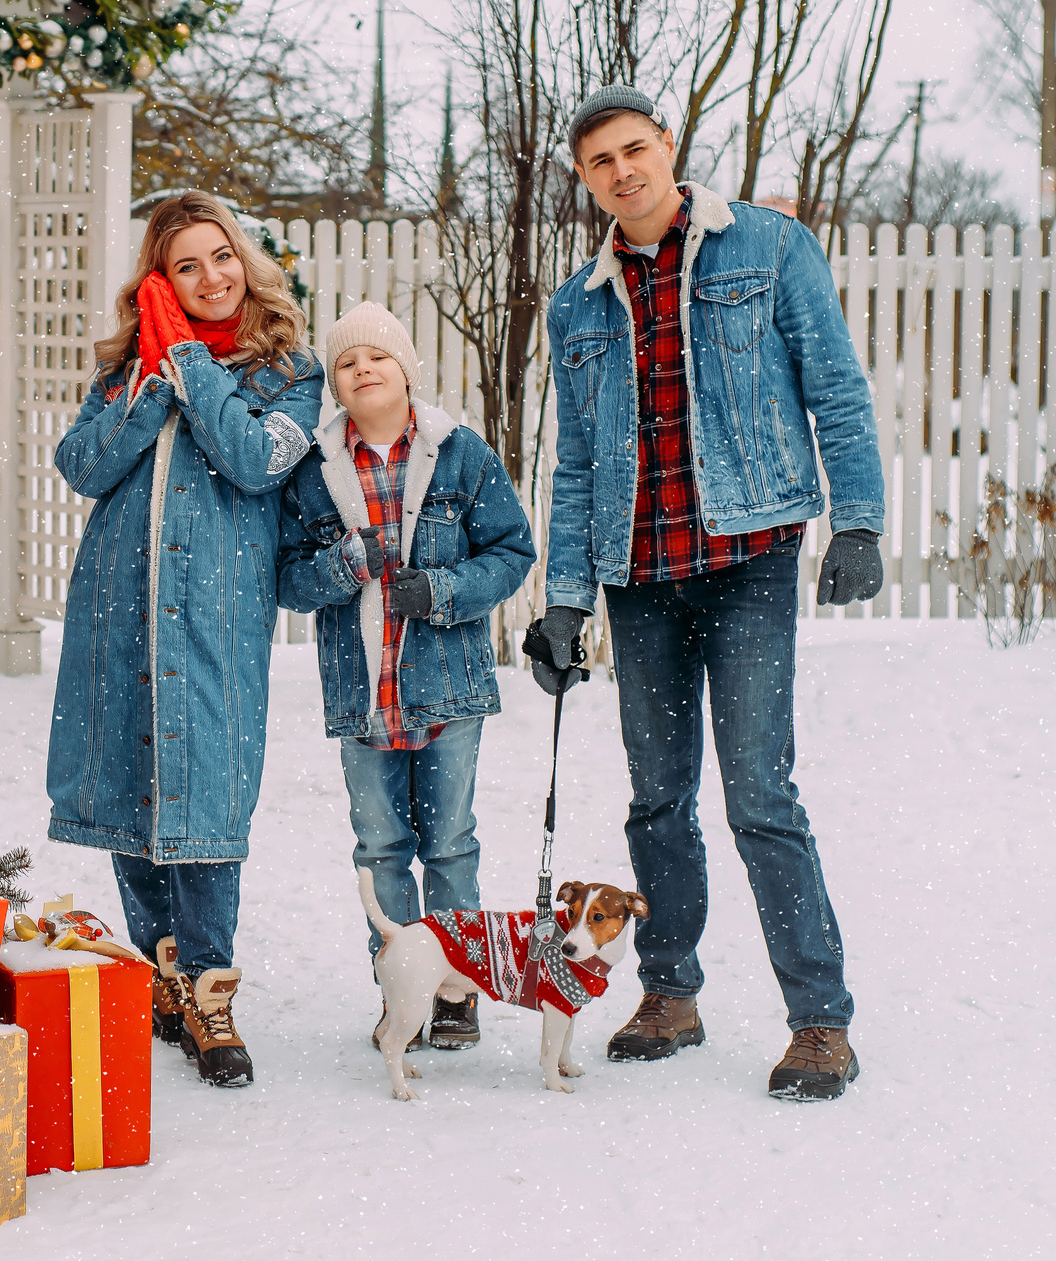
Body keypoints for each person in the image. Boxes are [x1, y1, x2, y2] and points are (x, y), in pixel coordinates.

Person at [529, 85, 886, 1102]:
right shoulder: (579, 303)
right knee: (656, 798)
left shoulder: (767, 248)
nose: (621, 170)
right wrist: (564, 598)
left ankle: (819, 1019)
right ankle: (669, 993)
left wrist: (854, 518)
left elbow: (835, 385)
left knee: (760, 793)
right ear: (586, 179)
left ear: (668, 148)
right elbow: (578, 461)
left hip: (748, 559)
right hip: (637, 575)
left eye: (634, 149)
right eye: (600, 161)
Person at [46, 191, 324, 1088]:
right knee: (130, 780)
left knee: (205, 790)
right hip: (119, 608)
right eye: (185, 266)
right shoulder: (128, 369)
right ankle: (161, 969)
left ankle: (212, 985)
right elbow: (82, 464)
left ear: (246, 259)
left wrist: (191, 366)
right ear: (158, 281)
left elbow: (253, 463)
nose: (210, 277)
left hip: (214, 615)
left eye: (221, 256)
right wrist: (151, 377)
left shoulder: (291, 373)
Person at [278, 303, 534, 1052]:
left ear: (407, 371)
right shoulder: (315, 474)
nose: (363, 369)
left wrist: (446, 590)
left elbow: (513, 551)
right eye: (347, 362)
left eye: (378, 357)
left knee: (450, 843)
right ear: (336, 384)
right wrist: (345, 564)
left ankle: (456, 990)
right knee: (381, 846)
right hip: (364, 696)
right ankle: (401, 990)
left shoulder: (461, 455)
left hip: (446, 688)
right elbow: (289, 580)